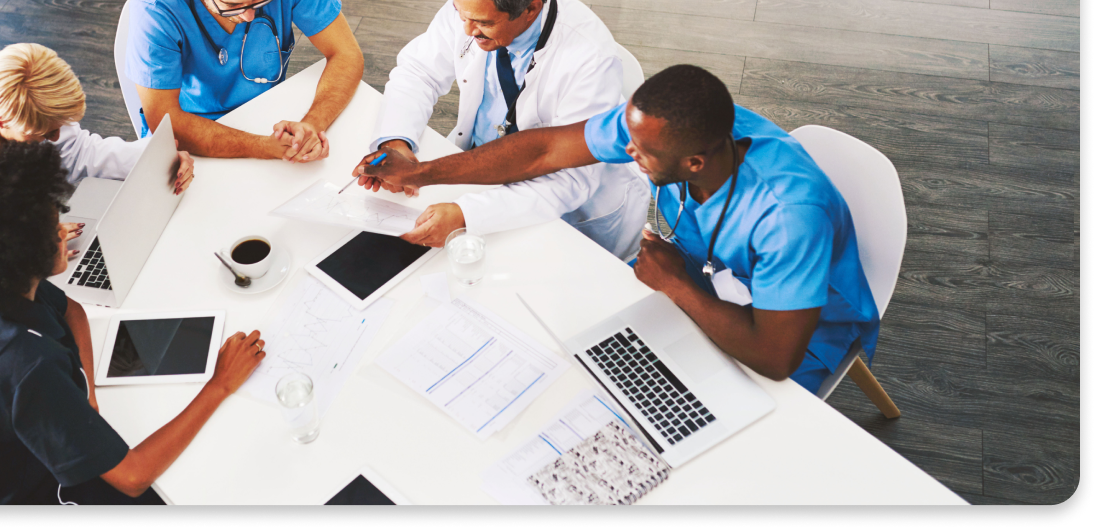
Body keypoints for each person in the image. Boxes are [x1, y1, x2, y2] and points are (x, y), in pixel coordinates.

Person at [353, 65, 880, 393]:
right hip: (705, 278)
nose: (626, 154)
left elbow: (776, 357)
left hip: (805, 329)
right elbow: (547, 148)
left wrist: (674, 284)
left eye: (642, 154)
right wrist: (420, 173)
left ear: (695, 162)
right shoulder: (669, 127)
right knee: (575, 358)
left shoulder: (788, 219)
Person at [0, 143, 267, 505]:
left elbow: (72, 310)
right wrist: (220, 383)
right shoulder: (27, 366)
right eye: (53, 231)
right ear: (20, 255)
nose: (64, 231)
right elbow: (134, 476)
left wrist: (86, 394)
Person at [354, 0, 648, 258]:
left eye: (482, 23)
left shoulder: (591, 60)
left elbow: (569, 178)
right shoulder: (473, 3)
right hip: (481, 170)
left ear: (531, 9)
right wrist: (398, 141)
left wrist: (469, 215)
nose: (466, 30)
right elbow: (418, 72)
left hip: (568, 208)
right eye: (461, 15)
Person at [125, 0, 363, 162]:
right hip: (191, 134)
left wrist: (313, 124)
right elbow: (164, 122)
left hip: (267, 115)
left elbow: (346, 53)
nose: (249, 16)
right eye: (232, 5)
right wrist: (262, 147)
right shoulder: (155, 8)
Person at [0, 42, 194, 194]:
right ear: (1, 122)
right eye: (46, 134)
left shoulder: (23, 92)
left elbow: (79, 151)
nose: (56, 138)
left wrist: (156, 157)